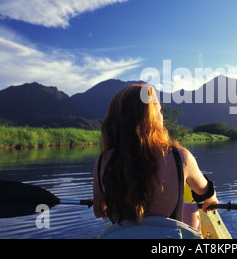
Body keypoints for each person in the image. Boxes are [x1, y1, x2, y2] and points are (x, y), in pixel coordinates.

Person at [93, 84, 218, 238]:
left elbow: (99, 211)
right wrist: (212, 199)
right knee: (193, 220)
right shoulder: (180, 157)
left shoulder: (103, 159)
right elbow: (204, 191)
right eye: (159, 110)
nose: (161, 115)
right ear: (153, 117)